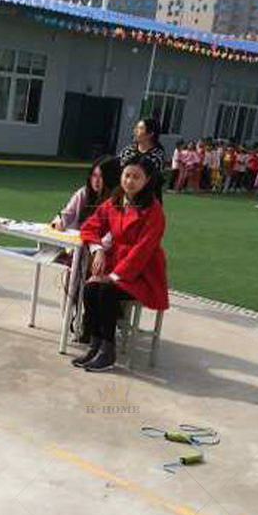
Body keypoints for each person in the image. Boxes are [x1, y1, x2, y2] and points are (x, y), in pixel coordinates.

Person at [73, 154, 169, 373]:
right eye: (127, 175)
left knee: (106, 290)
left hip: (142, 273)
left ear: (147, 180)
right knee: (90, 288)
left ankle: (108, 350)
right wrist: (97, 250)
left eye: (136, 177)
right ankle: (95, 345)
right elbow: (89, 226)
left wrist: (115, 276)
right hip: (116, 264)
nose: (130, 181)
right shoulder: (115, 201)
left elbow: (143, 250)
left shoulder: (153, 210)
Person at [51, 156, 122, 343]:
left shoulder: (117, 202)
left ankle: (92, 322)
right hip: (85, 250)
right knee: (76, 269)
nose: (96, 181)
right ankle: (80, 317)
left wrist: (97, 248)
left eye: (101, 177)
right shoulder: (84, 193)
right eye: (93, 176)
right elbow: (67, 214)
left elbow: (113, 235)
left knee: (88, 273)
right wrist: (60, 221)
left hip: (109, 256)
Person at [119, 118, 166, 203]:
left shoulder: (157, 156)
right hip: (126, 198)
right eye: (136, 128)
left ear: (150, 134)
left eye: (140, 128)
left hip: (147, 199)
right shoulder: (127, 151)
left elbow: (154, 181)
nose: (135, 131)